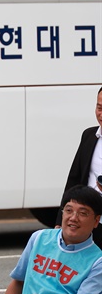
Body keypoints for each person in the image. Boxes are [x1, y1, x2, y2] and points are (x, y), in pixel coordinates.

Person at [56, 86, 102, 247]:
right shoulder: (89, 136)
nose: (101, 114)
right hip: (88, 224)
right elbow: (74, 180)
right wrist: (59, 221)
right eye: (99, 108)